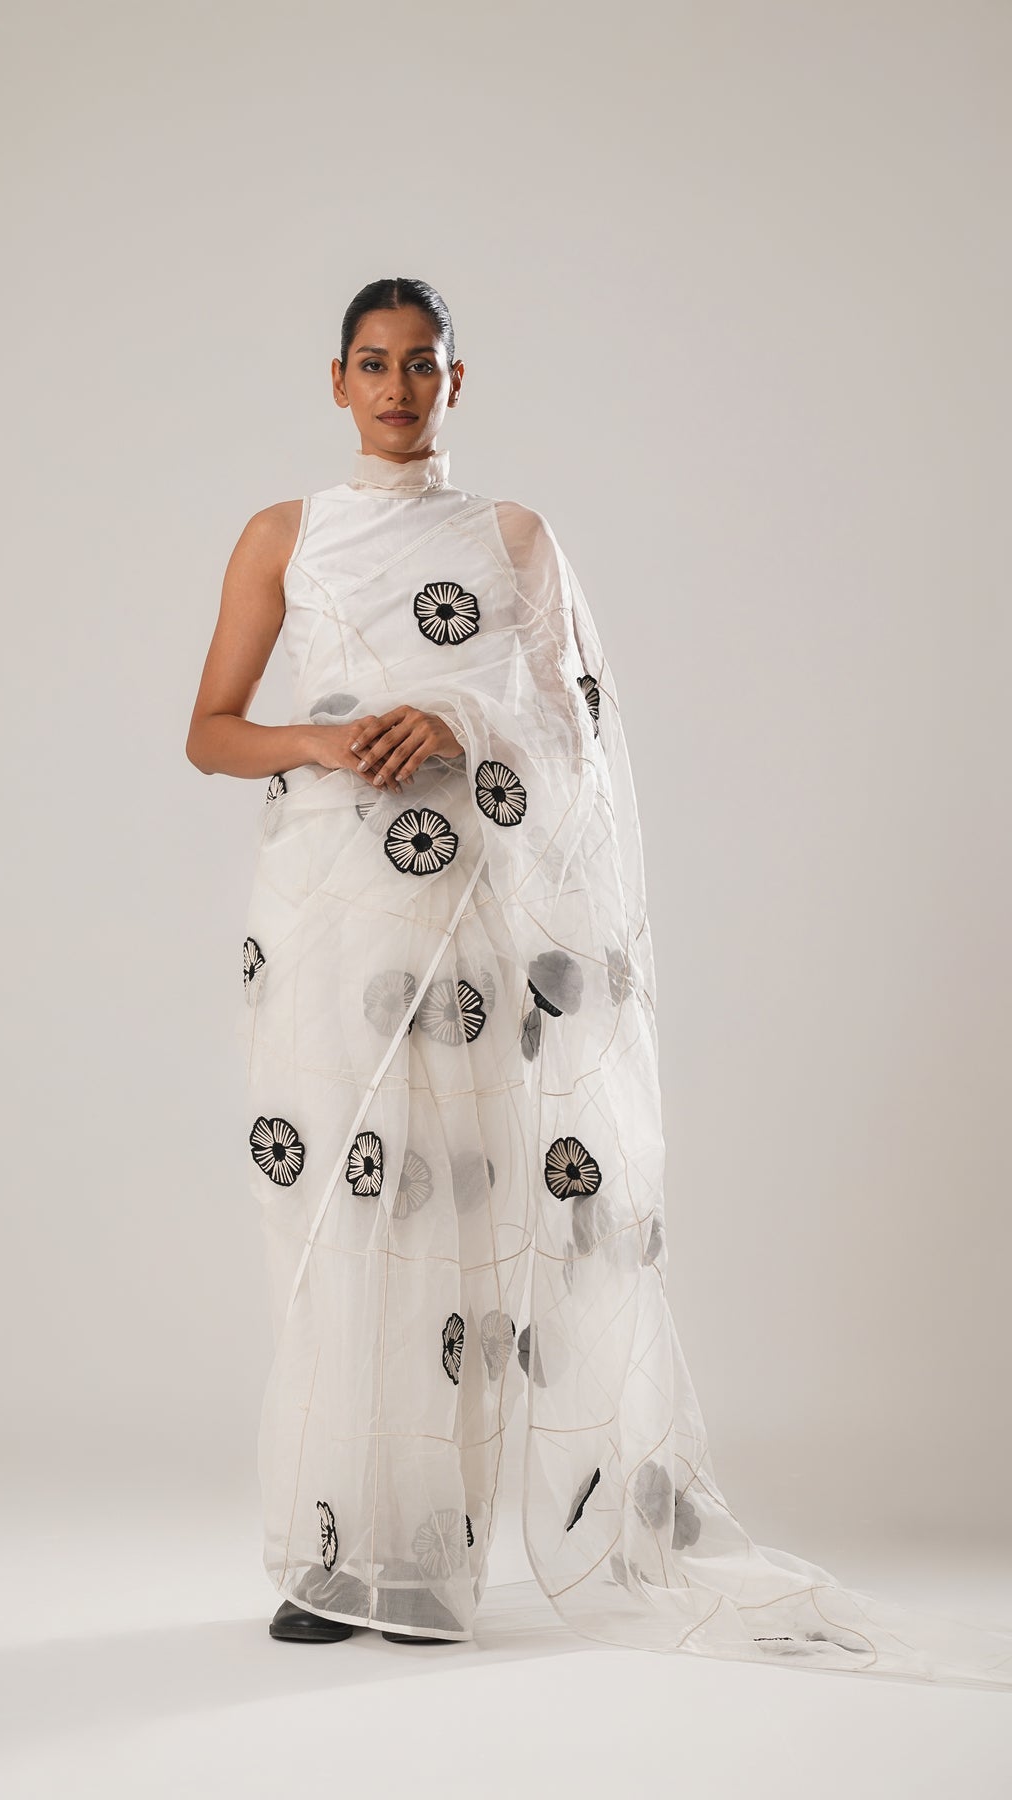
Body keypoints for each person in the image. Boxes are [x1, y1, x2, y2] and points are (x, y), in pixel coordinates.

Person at [186, 277, 1012, 1685]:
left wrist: (455, 717)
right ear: (337, 381)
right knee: (333, 1219)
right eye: (374, 364)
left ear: (458, 380)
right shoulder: (285, 535)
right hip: (327, 926)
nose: (398, 388)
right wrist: (330, 742)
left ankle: (424, 1557)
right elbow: (212, 732)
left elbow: (575, 734)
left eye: (423, 365)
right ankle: (333, 1551)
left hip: (469, 925)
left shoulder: (513, 538)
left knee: (459, 1209)